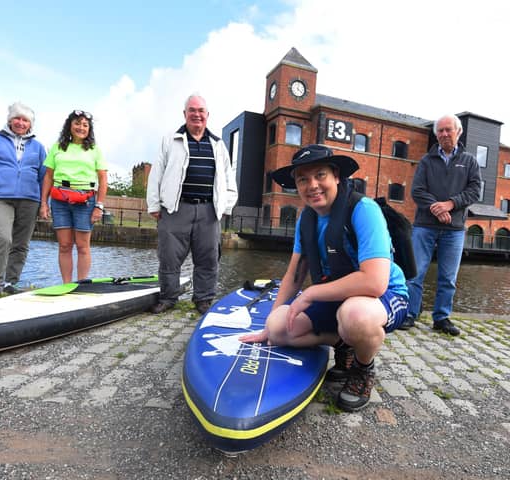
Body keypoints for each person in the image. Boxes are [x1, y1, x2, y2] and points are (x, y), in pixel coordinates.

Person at [239, 144, 409, 412]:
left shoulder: (363, 210)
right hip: (336, 296)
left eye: (320, 176)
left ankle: (363, 369)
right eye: (303, 179)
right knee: (279, 328)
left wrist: (310, 294)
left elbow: (375, 282)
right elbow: (294, 276)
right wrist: (267, 327)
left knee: (355, 318)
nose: (313, 185)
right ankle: (344, 343)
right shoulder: (305, 219)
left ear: (337, 177)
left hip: (383, 295)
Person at [146, 94, 238, 314]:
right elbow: (157, 173)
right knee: (169, 256)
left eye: (201, 111)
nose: (197, 115)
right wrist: (154, 205)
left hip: (208, 209)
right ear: (185, 114)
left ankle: (203, 299)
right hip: (176, 207)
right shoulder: (171, 140)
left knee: (208, 257)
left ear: (207, 115)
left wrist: (225, 207)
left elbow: (228, 177)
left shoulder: (218, 145)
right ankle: (168, 297)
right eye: (192, 110)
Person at [399, 114, 482, 335]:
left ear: (458, 132)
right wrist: (438, 208)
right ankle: (409, 313)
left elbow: (475, 191)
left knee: (448, 276)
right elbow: (417, 191)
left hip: (454, 230)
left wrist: (450, 204)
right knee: (415, 272)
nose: (444, 134)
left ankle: (441, 318)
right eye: (440, 131)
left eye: (448, 130)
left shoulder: (470, 161)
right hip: (425, 225)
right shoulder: (427, 160)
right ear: (436, 134)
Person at [0, 102, 46, 298]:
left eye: (25, 120)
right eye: (17, 118)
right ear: (10, 120)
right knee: (3, 238)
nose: (21, 123)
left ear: (31, 124)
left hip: (30, 199)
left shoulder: (39, 147)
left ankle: (10, 283)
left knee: (21, 243)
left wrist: (44, 204)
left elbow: (43, 177)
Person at [40, 110, 107, 283]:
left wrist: (99, 206)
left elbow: (102, 178)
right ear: (69, 126)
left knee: (83, 246)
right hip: (59, 200)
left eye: (85, 125)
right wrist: (43, 203)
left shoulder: (95, 150)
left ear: (89, 129)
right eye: (77, 123)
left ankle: (82, 283)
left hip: (85, 201)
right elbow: (48, 176)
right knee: (64, 245)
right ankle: (67, 285)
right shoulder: (58, 147)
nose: (81, 127)